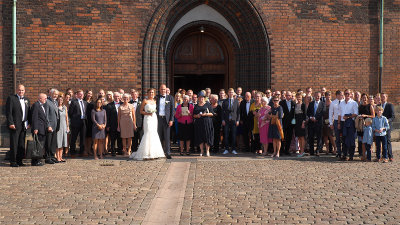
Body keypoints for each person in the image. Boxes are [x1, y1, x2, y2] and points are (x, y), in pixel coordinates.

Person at [130, 88, 165, 160]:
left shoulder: (155, 101)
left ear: (154, 94)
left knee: (154, 133)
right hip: (147, 118)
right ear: (147, 93)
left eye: (152, 92)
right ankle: (146, 153)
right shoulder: (145, 101)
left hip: (154, 118)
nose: (151, 94)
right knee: (148, 133)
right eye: (150, 92)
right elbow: (140, 111)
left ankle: (154, 153)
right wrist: (147, 113)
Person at [6, 84, 30, 167]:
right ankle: (13, 161)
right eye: (19, 90)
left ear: (24, 91)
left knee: (21, 144)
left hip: (23, 125)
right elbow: (8, 112)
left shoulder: (27, 100)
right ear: (17, 90)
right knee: (14, 143)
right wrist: (11, 123)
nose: (21, 91)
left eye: (22, 90)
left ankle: (20, 161)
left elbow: (28, 112)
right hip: (15, 125)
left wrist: (29, 122)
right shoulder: (11, 98)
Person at [338, 89, 358, 161]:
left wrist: (348, 117)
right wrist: (339, 123)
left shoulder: (354, 103)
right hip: (343, 123)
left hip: (350, 123)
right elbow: (339, 114)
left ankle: (351, 155)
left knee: (351, 140)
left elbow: (356, 113)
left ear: (351, 94)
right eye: (345, 94)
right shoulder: (341, 103)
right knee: (344, 139)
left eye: (348, 94)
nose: (347, 95)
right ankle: (345, 155)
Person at [156, 84, 175, 159]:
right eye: (161, 89)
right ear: (159, 90)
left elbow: (172, 110)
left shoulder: (170, 98)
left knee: (167, 137)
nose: (163, 91)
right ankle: (159, 152)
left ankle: (168, 153)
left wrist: (171, 120)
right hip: (158, 119)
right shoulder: (156, 97)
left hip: (166, 120)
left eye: (164, 89)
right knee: (158, 136)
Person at [193, 92, 214, 157]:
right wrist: (197, 116)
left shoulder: (208, 104)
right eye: (200, 97)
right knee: (200, 137)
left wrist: (206, 114)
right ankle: (201, 151)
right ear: (198, 98)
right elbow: (193, 115)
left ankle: (207, 151)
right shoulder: (196, 106)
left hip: (207, 123)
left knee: (207, 137)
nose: (201, 98)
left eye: (202, 97)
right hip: (199, 123)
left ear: (204, 98)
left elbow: (212, 113)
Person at [31, 93, 49, 166]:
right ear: (40, 98)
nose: (46, 99)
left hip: (42, 128)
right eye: (45, 98)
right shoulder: (36, 105)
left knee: (40, 145)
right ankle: (35, 161)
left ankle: (38, 159)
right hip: (38, 129)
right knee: (37, 145)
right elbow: (34, 117)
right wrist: (35, 128)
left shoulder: (41, 106)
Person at [69, 89, 88, 157]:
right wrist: (74, 119)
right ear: (77, 95)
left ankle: (81, 152)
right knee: (74, 137)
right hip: (76, 122)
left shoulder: (85, 103)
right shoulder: (74, 102)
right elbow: (70, 113)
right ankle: (72, 152)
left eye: (82, 94)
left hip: (83, 122)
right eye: (80, 94)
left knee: (83, 138)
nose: (81, 95)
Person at [221, 88, 240, 155]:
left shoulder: (236, 101)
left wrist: (238, 120)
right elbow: (222, 112)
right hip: (226, 121)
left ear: (233, 93)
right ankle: (226, 149)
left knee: (234, 135)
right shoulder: (225, 101)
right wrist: (223, 120)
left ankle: (233, 149)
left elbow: (238, 112)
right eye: (230, 92)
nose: (231, 93)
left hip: (234, 120)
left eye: (232, 92)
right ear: (228, 93)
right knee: (226, 135)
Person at [307, 92, 325, 156]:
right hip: (311, 123)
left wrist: (315, 118)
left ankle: (317, 150)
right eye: (316, 96)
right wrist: (311, 117)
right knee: (310, 137)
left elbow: (323, 112)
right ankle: (311, 151)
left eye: (318, 96)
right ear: (314, 96)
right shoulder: (311, 103)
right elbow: (308, 112)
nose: (317, 97)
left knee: (319, 137)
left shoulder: (323, 104)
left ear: (320, 96)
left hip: (319, 123)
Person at [357, 93, 375, 158]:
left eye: (365, 98)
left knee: (368, 141)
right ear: (361, 98)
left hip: (368, 125)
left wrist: (366, 116)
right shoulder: (360, 106)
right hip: (361, 125)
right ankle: (363, 155)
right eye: (363, 98)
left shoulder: (370, 106)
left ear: (367, 99)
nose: (364, 99)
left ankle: (368, 155)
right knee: (362, 141)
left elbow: (373, 116)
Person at [45, 89, 60, 164]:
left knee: (53, 142)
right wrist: (48, 125)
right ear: (50, 93)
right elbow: (46, 115)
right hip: (50, 126)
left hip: (55, 125)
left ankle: (52, 156)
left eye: (57, 94)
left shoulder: (56, 102)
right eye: (54, 94)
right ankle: (47, 157)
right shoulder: (47, 102)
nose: (56, 96)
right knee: (48, 142)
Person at [380, 93, 395, 161]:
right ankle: (383, 155)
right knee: (382, 141)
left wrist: (387, 120)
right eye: (381, 97)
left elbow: (393, 116)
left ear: (386, 97)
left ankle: (390, 156)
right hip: (380, 126)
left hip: (387, 126)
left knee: (388, 140)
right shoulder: (378, 105)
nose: (382, 98)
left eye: (384, 97)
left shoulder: (389, 105)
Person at [106, 92, 122, 156]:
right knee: (112, 139)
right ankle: (113, 151)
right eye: (115, 96)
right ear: (113, 97)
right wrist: (107, 125)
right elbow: (107, 116)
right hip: (112, 124)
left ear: (120, 97)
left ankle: (120, 150)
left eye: (118, 96)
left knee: (120, 138)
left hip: (121, 124)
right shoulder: (109, 105)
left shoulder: (123, 104)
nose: (117, 98)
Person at [280, 91, 296, 156]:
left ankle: (287, 150)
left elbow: (294, 114)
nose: (288, 96)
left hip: (291, 124)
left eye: (289, 95)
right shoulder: (281, 103)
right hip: (283, 123)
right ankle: (281, 150)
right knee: (282, 137)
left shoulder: (293, 103)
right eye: (287, 95)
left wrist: (294, 123)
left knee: (289, 137)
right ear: (285, 96)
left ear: (291, 96)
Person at [329, 90, 344, 158]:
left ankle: (344, 151)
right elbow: (330, 113)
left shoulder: (344, 102)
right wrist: (331, 123)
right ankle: (339, 151)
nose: (342, 96)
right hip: (335, 121)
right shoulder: (333, 103)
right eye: (341, 95)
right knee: (337, 137)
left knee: (344, 137)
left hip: (343, 121)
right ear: (337, 95)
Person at [56, 95, 68, 163]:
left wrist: (67, 126)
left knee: (63, 142)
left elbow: (66, 117)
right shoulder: (56, 107)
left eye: (61, 100)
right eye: (59, 100)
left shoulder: (65, 107)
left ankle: (61, 157)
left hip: (64, 126)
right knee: (58, 142)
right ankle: (57, 157)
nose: (60, 101)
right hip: (58, 127)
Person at [294, 93, 306, 157]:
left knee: (302, 137)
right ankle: (300, 150)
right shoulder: (295, 105)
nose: (298, 99)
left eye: (300, 97)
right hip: (297, 122)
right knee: (298, 137)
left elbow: (305, 115)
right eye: (297, 97)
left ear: (302, 98)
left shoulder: (303, 105)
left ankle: (302, 151)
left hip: (301, 121)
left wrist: (303, 123)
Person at [84, 90, 94, 156]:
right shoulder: (83, 101)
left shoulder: (93, 103)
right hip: (84, 120)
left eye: (90, 94)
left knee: (90, 137)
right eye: (88, 93)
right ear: (86, 94)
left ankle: (89, 149)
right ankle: (85, 150)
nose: (89, 95)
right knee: (85, 136)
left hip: (91, 121)